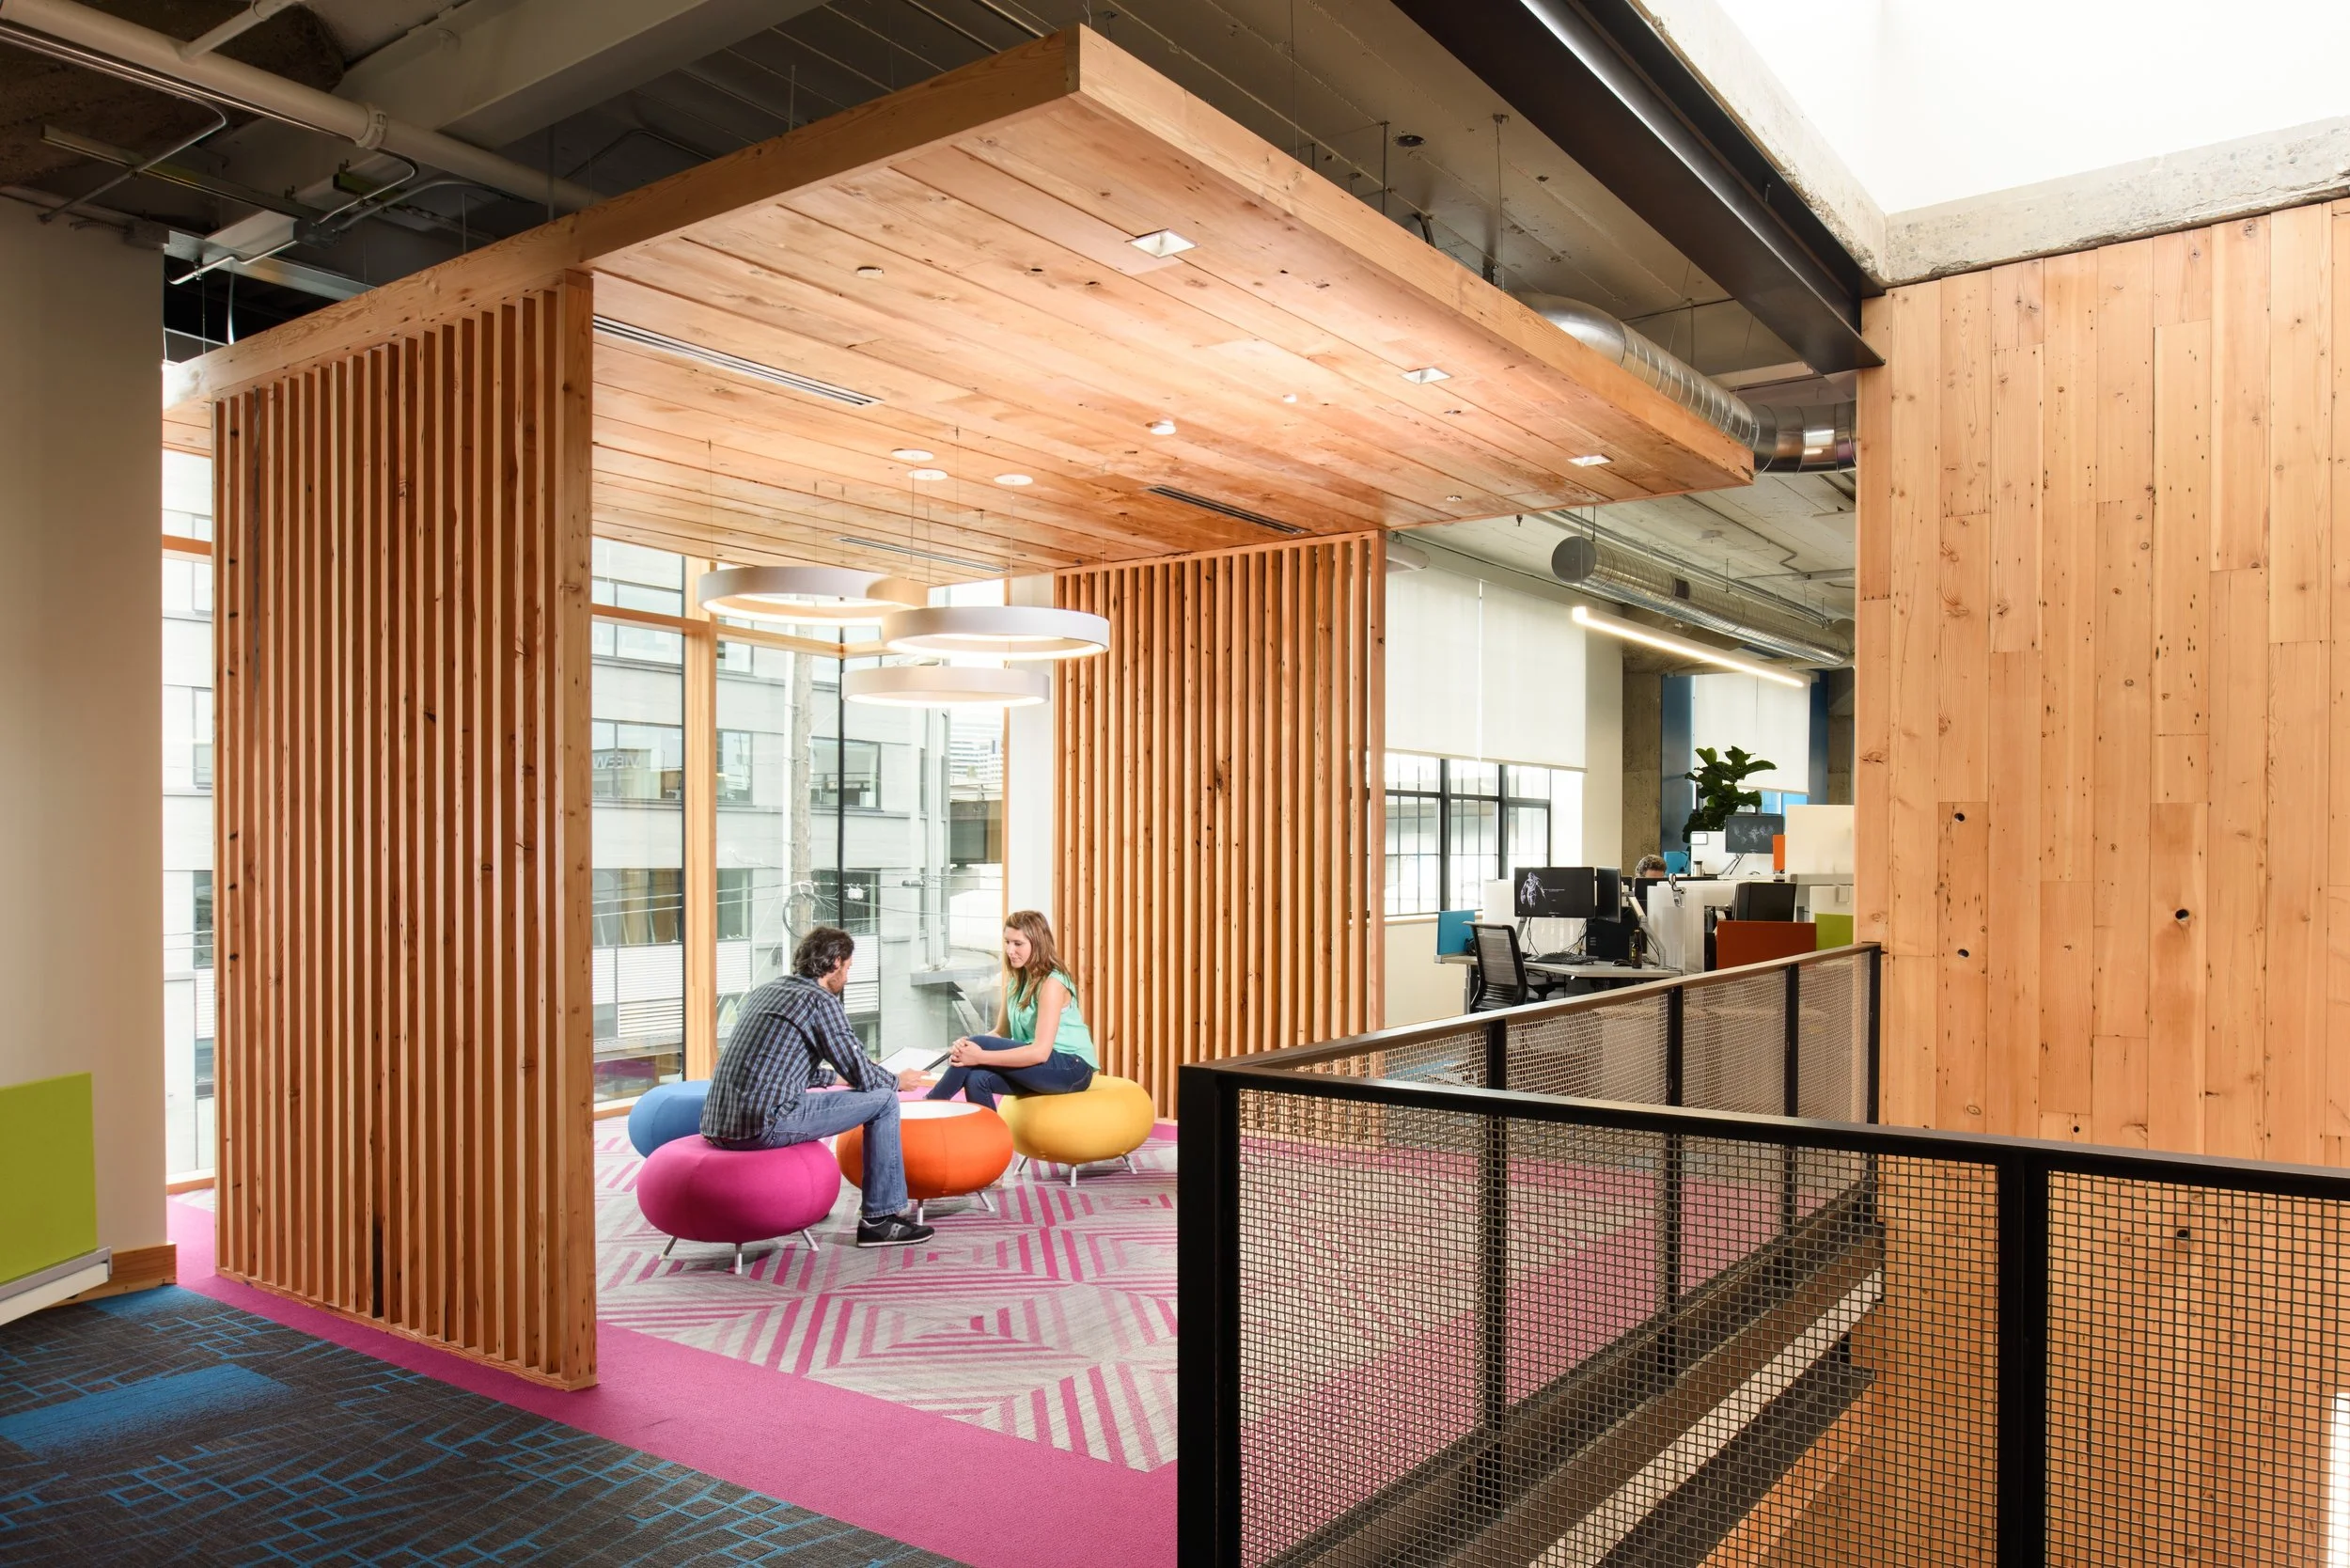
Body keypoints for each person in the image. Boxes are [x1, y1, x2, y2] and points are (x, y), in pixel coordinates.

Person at [700, 925, 935, 1248]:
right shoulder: (819, 1000)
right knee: (884, 1100)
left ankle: (821, 1202)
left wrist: (838, 1079)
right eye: (849, 968)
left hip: (717, 1124)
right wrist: (897, 1081)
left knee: (873, 1090)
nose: (848, 978)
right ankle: (879, 1221)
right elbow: (861, 1072)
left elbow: (781, 1067)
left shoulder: (770, 990)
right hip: (762, 1124)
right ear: (836, 962)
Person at [923, 910, 1097, 1110]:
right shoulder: (1016, 981)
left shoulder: (1052, 983)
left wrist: (979, 1055)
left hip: (1071, 1068)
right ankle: (991, 1141)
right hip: (1042, 1064)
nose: (1010, 950)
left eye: (1018, 943)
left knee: (977, 1045)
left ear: (1038, 943)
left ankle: (931, 1105)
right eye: (1007, 942)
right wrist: (966, 1047)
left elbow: (1040, 1052)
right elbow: (1000, 1033)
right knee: (977, 1078)